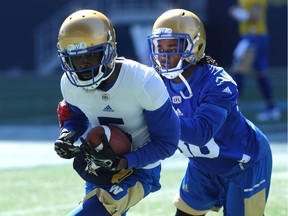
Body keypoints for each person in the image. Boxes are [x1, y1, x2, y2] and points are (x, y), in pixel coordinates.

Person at [54, 9, 180, 216]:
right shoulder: (69, 84)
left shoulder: (143, 82)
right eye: (76, 59)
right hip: (99, 165)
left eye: (91, 56)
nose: (83, 66)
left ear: (110, 50)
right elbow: (75, 117)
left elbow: (167, 142)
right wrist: (68, 136)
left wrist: (125, 161)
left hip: (141, 168)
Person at [147, 9, 272, 216]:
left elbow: (201, 133)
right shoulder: (153, 82)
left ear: (195, 46)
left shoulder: (218, 83)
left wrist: (155, 116)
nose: (164, 55)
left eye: (173, 47)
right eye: (159, 47)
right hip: (202, 166)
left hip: (243, 164)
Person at [229, 0, 281, 121]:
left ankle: (232, 108)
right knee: (260, 74)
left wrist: (237, 13)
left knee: (239, 70)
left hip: (254, 36)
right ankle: (272, 107)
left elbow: (256, 16)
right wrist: (237, 12)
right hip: (253, 36)